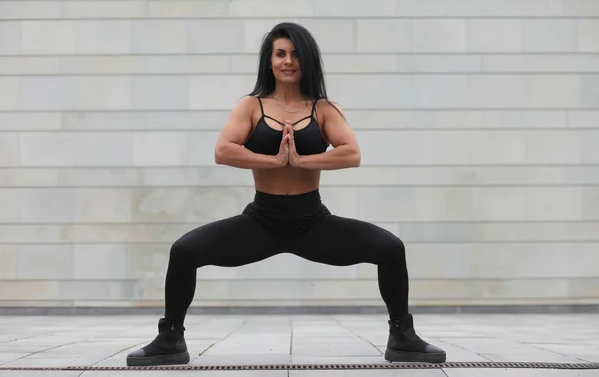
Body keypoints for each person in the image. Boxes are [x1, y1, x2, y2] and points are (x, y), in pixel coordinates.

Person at [126, 22, 446, 367]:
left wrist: (302, 160)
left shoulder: (323, 109)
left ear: (307, 61)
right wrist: (274, 161)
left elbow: (351, 153)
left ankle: (402, 336)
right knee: (184, 250)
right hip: (261, 221)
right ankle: (170, 338)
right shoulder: (251, 106)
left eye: (295, 54)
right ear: (270, 61)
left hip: (313, 222)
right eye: (280, 54)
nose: (287, 61)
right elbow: (223, 151)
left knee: (390, 248)